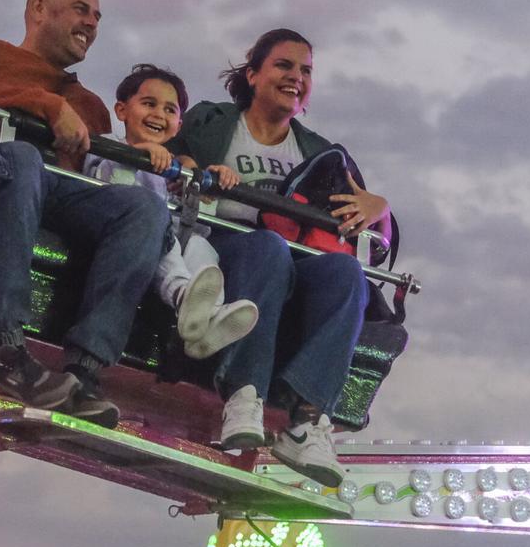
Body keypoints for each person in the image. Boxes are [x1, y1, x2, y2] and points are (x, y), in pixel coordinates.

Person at [0, 0, 171, 426]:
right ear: (38, 8)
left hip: (50, 191)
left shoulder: (88, 105)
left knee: (142, 207)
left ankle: (84, 371)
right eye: (81, 10)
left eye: (97, 17)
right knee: (21, 159)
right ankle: (7, 351)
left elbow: (99, 172)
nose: (92, 23)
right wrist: (46, 105)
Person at [168, 28, 392, 487]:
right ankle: (244, 393)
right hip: (223, 248)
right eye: (284, 66)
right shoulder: (212, 122)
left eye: (306, 70)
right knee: (266, 246)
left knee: (347, 272)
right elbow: (168, 159)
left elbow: (375, 229)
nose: (296, 77)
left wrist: (379, 208)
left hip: (294, 265)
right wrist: (193, 169)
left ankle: (307, 420)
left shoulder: (319, 151)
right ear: (253, 74)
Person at [86, 64, 257, 360]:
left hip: (164, 243)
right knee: (158, 224)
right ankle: (182, 294)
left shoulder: (175, 170)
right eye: (148, 104)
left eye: (169, 110)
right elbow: (110, 189)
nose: (158, 115)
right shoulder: (107, 145)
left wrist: (205, 189)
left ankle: (205, 321)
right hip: (121, 236)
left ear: (178, 125)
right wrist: (140, 156)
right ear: (122, 110)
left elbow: (196, 227)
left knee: (201, 245)